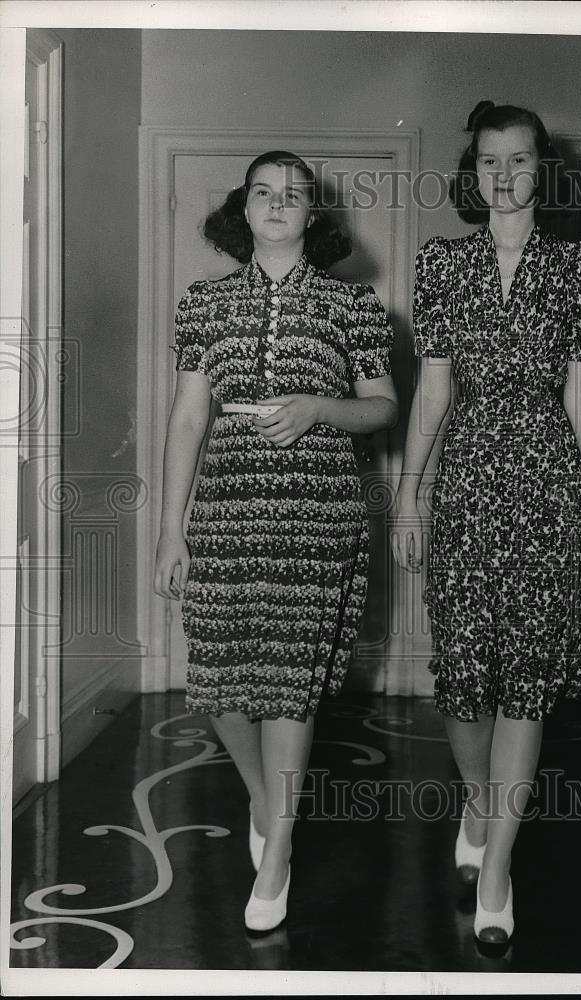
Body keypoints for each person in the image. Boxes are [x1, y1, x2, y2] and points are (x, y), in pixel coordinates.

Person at [391, 102, 581, 946]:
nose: (502, 175)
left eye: (518, 160)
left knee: (526, 679)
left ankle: (495, 869)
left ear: (542, 170)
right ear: (472, 171)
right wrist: (410, 496)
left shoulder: (576, 265)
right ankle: (480, 807)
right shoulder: (442, 262)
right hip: (464, 491)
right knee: (462, 681)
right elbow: (432, 391)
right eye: (488, 160)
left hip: (548, 491)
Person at [154, 150, 398, 933]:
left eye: (292, 195)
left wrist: (319, 408)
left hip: (315, 510)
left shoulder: (351, 305)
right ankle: (267, 800)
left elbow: (381, 407)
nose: (276, 204)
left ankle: (278, 851)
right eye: (262, 192)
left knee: (289, 681)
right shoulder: (203, 304)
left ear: (312, 215)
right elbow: (189, 417)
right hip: (225, 508)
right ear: (242, 210)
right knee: (222, 679)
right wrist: (171, 529)